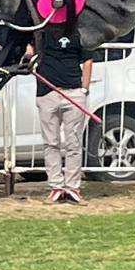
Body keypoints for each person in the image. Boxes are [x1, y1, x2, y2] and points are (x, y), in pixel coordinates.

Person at [31, 25, 93, 204]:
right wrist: (29, 54)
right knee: (51, 142)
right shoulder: (40, 33)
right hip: (47, 93)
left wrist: (84, 89)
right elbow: (30, 53)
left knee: (74, 143)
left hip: (73, 93)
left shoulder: (80, 32)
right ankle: (56, 187)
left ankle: (72, 188)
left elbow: (88, 60)